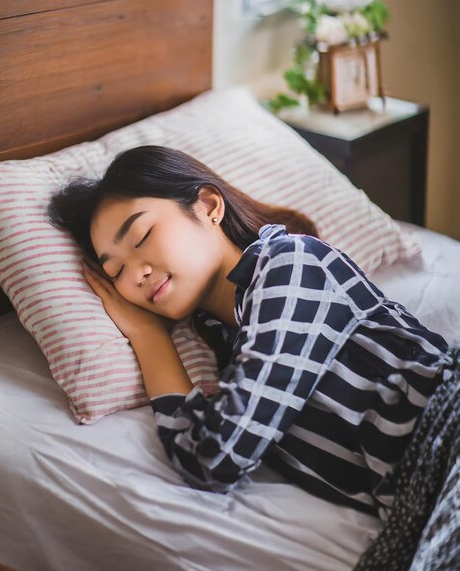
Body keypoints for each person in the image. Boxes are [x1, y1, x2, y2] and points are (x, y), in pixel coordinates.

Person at [47, 144, 455, 525]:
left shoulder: (291, 265)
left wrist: (149, 338)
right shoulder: (227, 344)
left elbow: (214, 460)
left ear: (208, 206)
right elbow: (206, 456)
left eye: (141, 237)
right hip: (417, 504)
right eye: (116, 271)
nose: (136, 275)